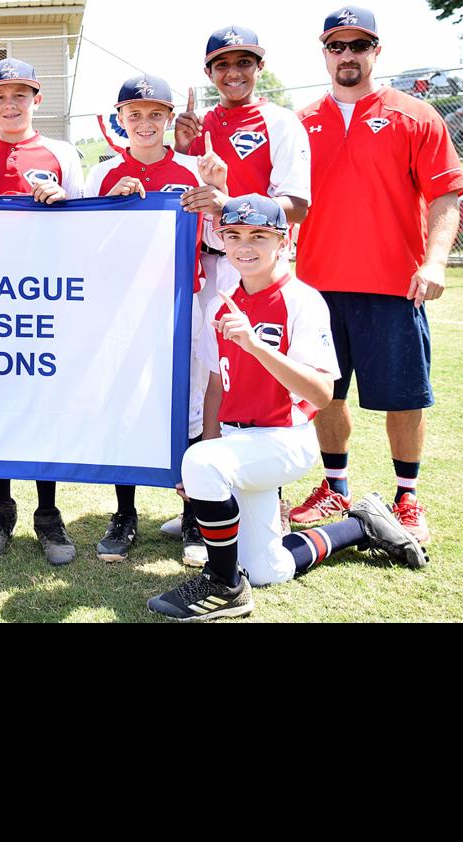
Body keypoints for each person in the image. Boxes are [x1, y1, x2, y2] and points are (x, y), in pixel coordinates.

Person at [146, 196, 426, 621]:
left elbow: (320, 393)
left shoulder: (302, 300)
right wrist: (203, 452)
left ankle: (224, 586)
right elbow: (216, 386)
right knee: (268, 569)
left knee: (204, 463)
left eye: (259, 236)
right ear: (221, 240)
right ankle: (360, 525)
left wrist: (256, 346)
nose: (245, 245)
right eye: (234, 235)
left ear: (283, 241)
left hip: (284, 439)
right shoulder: (220, 303)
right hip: (239, 445)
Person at [291, 6, 463, 547]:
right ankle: (336, 486)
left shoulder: (415, 116)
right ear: (324, 52)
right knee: (327, 393)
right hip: (318, 284)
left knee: (403, 396)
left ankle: (407, 498)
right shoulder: (301, 122)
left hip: (392, 283)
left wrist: (434, 260)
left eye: (359, 45)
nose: (348, 56)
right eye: (337, 46)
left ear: (376, 51)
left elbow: (445, 195)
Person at [163, 24, 312, 563]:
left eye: (244, 63)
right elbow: (188, 191)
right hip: (206, 264)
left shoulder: (280, 121)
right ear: (209, 73)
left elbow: (296, 203)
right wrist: (182, 151)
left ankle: (255, 492)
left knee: (255, 374)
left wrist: (230, 202)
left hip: (257, 264)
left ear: (259, 66)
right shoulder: (199, 125)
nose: (234, 73)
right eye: (223, 65)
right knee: (206, 378)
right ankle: (202, 503)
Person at [0, 57, 86, 565]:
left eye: (20, 94)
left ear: (37, 99)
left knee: (43, 405)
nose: (11, 104)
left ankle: (48, 514)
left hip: (45, 299)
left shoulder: (61, 152)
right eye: (0, 96)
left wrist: (62, 203)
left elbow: (85, 225)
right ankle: (1, 506)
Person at [83, 73, 218, 564]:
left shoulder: (192, 168)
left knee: (190, 409)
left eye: (155, 114)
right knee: (126, 404)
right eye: (134, 114)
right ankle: (125, 514)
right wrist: (110, 209)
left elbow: (217, 243)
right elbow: (83, 250)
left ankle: (193, 516)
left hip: (183, 305)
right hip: (124, 310)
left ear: (168, 119)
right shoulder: (99, 174)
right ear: (119, 119)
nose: (144, 123)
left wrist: (216, 200)